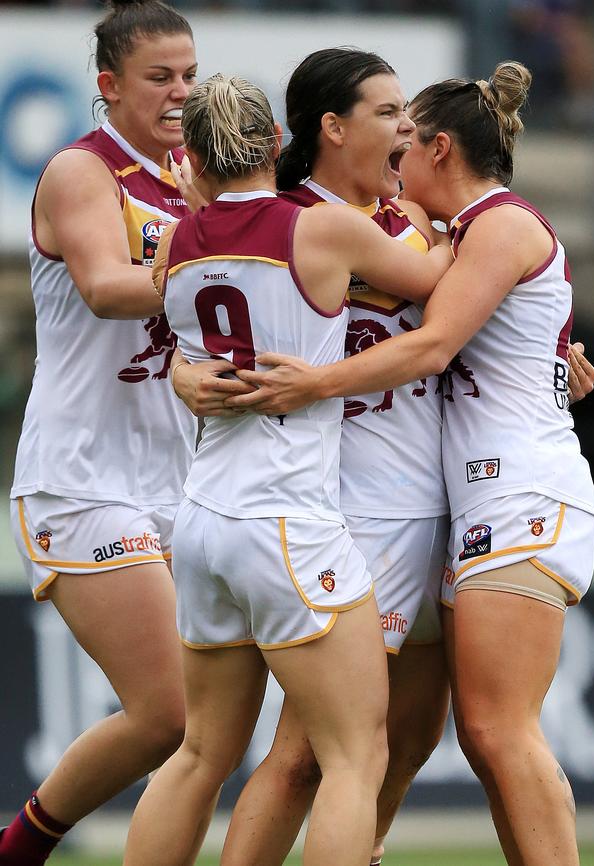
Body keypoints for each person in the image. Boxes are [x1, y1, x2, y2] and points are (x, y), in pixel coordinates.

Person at [224, 61, 594, 866]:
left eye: (406, 127)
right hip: (442, 508)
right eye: (383, 116)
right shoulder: (430, 232)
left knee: (495, 732)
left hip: (515, 493)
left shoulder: (488, 227)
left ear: (437, 149)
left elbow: (433, 346)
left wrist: (316, 382)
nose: (396, 144)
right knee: (427, 738)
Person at [121, 72, 451, 866]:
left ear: (192, 153)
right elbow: (437, 282)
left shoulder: (176, 238)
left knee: (200, 754)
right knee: (353, 757)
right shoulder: (323, 231)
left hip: (202, 522)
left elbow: (183, 346)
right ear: (274, 143)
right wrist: (434, 227)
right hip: (287, 520)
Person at [1, 2, 202, 864]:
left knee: (212, 729)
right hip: (84, 480)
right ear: (108, 85)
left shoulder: (196, 173)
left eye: (189, 75)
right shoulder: (83, 174)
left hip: (182, 482)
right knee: (168, 716)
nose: (180, 93)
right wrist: (219, 250)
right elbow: (108, 287)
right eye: (159, 78)